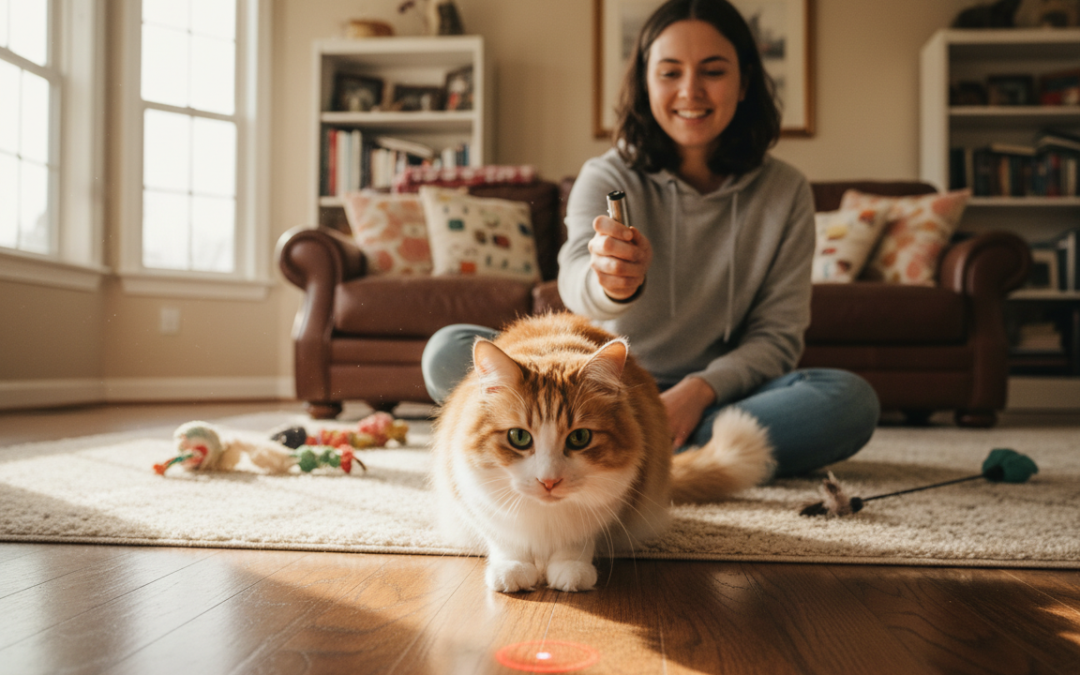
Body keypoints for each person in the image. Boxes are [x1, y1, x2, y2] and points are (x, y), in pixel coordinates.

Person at [423, 0, 879, 477]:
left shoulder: (786, 192)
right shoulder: (604, 175)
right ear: (645, 82)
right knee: (448, 353)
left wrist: (698, 392)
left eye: (713, 71)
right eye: (669, 72)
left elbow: (777, 336)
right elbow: (575, 283)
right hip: (599, 390)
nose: (690, 90)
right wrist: (610, 284)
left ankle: (634, 444)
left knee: (849, 402)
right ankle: (644, 444)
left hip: (717, 393)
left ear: (744, 82)